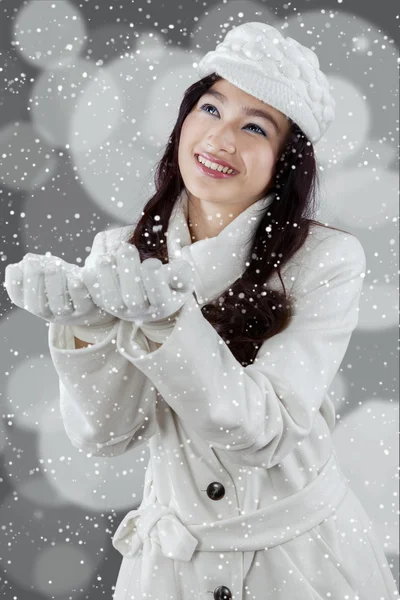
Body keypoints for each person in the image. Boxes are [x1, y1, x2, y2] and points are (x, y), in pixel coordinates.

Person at [4, 21, 399, 600]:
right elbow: (104, 438)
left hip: (297, 559)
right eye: (211, 109)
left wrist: (170, 323)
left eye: (255, 126)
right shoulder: (121, 253)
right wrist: (83, 329)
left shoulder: (327, 260)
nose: (221, 138)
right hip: (172, 564)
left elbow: (264, 430)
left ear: (287, 160)